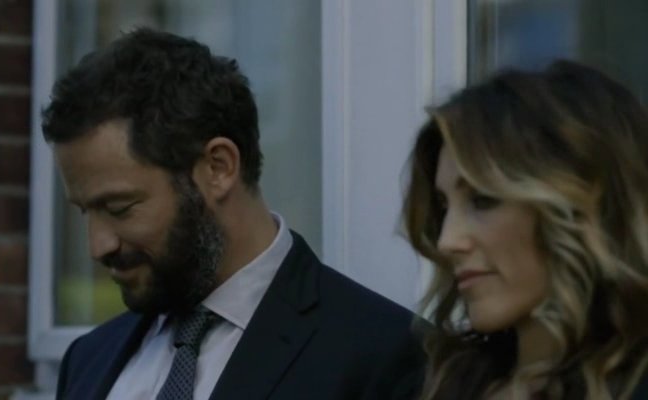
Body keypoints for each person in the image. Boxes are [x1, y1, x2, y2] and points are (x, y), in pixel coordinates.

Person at [43, 27, 426, 400]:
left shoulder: (387, 355)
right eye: (85, 212)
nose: (98, 246)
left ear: (218, 167)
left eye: (119, 208)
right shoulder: (87, 359)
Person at [401, 60, 648, 399]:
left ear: (579, 206)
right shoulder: (437, 383)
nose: (447, 241)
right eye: (444, 208)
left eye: (483, 199)